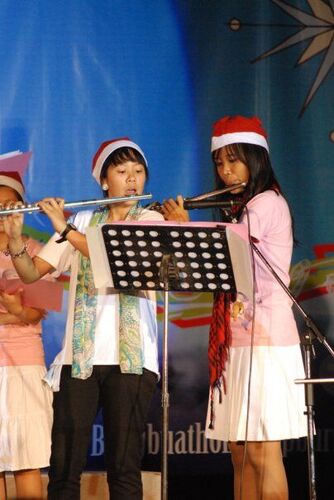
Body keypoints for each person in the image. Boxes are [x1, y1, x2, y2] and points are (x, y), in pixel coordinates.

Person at [5, 138, 164, 500]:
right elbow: (32, 274)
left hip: (132, 361)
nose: (132, 179)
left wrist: (62, 227)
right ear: (104, 181)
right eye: (122, 172)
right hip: (80, 361)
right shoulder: (83, 220)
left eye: (138, 171)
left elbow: (109, 254)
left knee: (123, 470)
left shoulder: (150, 220)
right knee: (64, 469)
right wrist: (15, 241)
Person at [161, 116, 307, 500]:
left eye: (234, 161)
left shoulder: (267, 202)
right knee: (239, 451)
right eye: (220, 163)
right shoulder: (241, 207)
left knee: (262, 450)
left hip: (267, 343)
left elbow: (230, 258)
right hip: (237, 341)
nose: (226, 172)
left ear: (255, 160)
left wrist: (185, 227)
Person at [0, 171, 53, 499]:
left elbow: (38, 311)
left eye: (8, 205)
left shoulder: (37, 251)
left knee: (26, 462)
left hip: (24, 365)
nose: (2, 212)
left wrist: (15, 312)